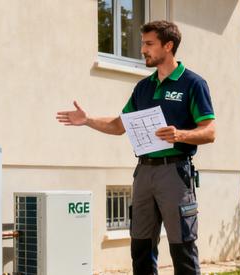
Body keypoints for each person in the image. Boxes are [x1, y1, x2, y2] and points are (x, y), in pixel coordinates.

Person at [55, 20, 215, 275]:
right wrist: (87, 120)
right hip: (144, 173)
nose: (143, 49)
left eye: (149, 44)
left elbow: (210, 131)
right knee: (140, 247)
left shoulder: (192, 83)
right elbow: (120, 125)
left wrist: (180, 134)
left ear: (168, 45)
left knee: (182, 248)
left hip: (174, 173)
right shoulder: (143, 87)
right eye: (143, 43)